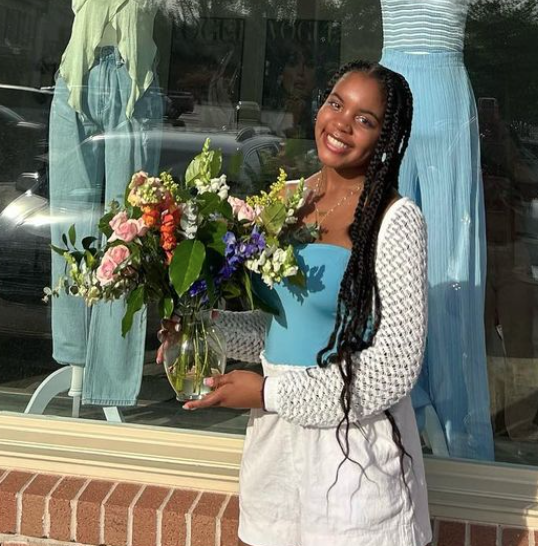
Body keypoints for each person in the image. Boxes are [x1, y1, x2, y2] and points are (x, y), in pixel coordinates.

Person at [168, 60, 432, 546]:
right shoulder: (285, 201)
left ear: (386, 137)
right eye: (336, 103)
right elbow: (276, 326)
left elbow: (395, 367)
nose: (341, 124)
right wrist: (206, 327)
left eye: (365, 119)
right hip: (276, 447)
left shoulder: (396, 221)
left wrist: (269, 394)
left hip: (353, 453)